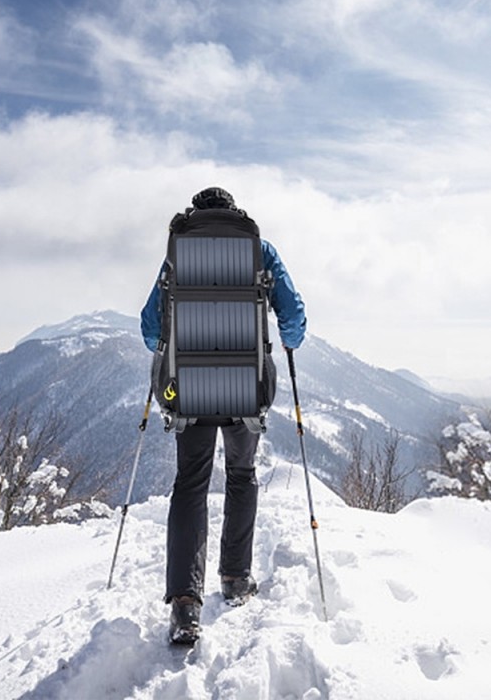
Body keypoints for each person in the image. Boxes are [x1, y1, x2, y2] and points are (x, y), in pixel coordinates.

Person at [140, 186, 306, 644]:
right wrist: (289, 341)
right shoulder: (260, 250)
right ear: (235, 213)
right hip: (245, 389)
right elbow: (293, 315)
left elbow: (151, 326)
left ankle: (185, 605)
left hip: (190, 390)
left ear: (196, 213)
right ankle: (234, 578)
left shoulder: (178, 251)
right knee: (241, 475)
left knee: (190, 485)